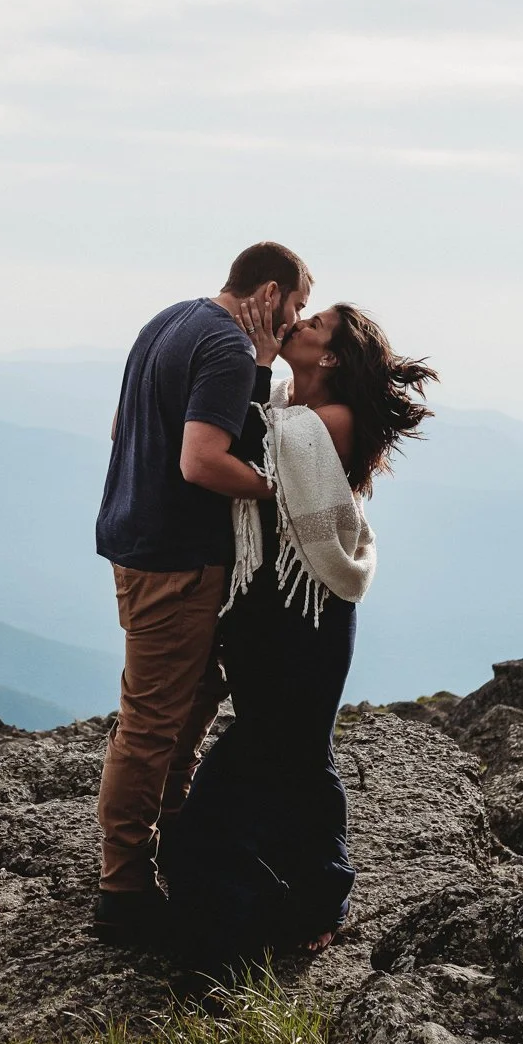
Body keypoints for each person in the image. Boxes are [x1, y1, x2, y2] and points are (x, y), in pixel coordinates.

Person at [159, 302, 437, 973]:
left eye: (314, 325)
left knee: (291, 756)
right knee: (292, 756)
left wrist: (253, 361)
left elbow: (250, 442)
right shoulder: (291, 402)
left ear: (331, 356)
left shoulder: (330, 421)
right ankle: (304, 896)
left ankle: (284, 907)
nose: (300, 324)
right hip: (263, 608)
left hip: (309, 616)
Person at [92, 242, 312, 945]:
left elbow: (124, 427)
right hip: (177, 559)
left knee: (191, 697)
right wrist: (279, 491)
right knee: (152, 720)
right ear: (270, 292)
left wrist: (261, 369)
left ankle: (170, 837)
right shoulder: (224, 347)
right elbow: (201, 460)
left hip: (138, 538)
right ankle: (123, 888)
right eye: (296, 305)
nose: (295, 321)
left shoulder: (170, 321)